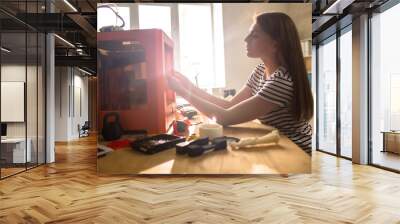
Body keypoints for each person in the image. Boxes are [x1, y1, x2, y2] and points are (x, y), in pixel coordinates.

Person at [167, 12, 313, 155]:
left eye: (254, 36)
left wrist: (182, 92)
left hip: (295, 149)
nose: (246, 39)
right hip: (279, 142)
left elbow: (226, 117)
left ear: (275, 45)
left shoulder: (281, 81)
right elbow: (229, 106)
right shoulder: (261, 70)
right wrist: (189, 86)